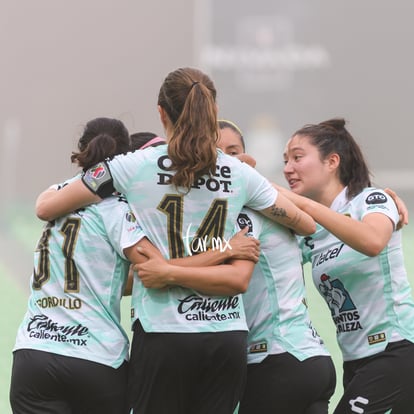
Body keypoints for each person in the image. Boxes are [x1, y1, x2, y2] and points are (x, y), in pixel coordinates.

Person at [35, 67, 316, 414]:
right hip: (226, 335)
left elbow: (48, 207)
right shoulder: (239, 173)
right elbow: (304, 223)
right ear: (212, 112)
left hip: (163, 334)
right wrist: (250, 195)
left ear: (161, 113)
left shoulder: (132, 165)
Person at [9, 117, 145, 414]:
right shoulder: (118, 209)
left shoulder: (57, 194)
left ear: (82, 150)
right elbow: (152, 268)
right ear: (126, 159)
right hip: (96, 356)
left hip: (34, 353)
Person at [281, 117, 414, 413]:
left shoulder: (371, 199)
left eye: (297, 158)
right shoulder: (310, 229)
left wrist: (304, 205)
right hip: (355, 362)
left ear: (332, 162)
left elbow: (373, 241)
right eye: (285, 160)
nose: (288, 168)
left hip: (397, 350)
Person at [218, 119, 336, 413]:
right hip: (313, 360)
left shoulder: (245, 212)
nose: (225, 161)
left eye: (233, 152)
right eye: (216, 152)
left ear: (247, 159)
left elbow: (236, 277)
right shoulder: (272, 211)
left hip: (277, 360)